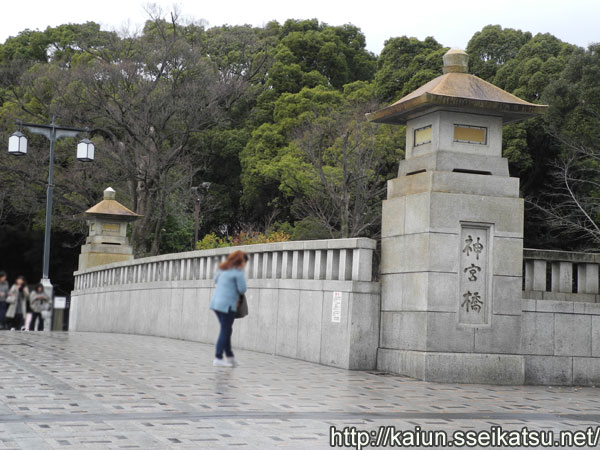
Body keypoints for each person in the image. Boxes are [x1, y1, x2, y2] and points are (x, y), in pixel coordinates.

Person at [209, 250, 248, 367]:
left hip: (216, 304)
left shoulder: (222, 269)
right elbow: (242, 289)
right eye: (244, 262)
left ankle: (230, 356)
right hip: (227, 306)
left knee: (226, 330)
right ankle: (218, 357)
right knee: (225, 330)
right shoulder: (238, 272)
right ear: (240, 261)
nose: (244, 265)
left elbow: (215, 280)